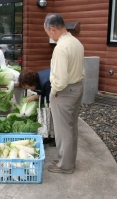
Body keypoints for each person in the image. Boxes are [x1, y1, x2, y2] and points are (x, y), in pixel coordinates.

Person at [44, 13, 84, 174]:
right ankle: (67, 158)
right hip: (77, 87)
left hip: (64, 92)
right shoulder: (75, 42)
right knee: (71, 127)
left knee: (62, 130)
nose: (48, 35)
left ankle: (65, 165)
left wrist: (53, 92)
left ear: (52, 29)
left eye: (47, 31)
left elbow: (60, 79)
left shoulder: (61, 48)